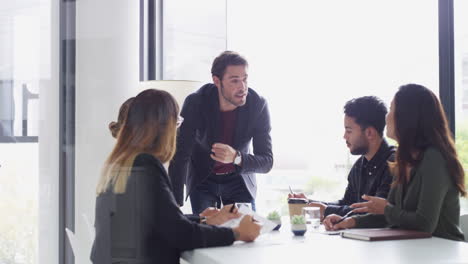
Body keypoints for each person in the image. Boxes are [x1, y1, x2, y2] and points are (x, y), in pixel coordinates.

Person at [91, 89, 261, 264]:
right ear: (164, 128)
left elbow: (160, 221)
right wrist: (237, 233)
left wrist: (203, 219)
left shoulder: (120, 163)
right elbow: (181, 234)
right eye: (176, 123)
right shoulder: (146, 165)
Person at [324, 84, 466, 241]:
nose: (387, 117)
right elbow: (391, 217)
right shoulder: (402, 159)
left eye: (391, 110)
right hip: (413, 249)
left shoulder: (434, 158)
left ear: (408, 117)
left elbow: (424, 224)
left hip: (443, 252)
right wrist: (350, 222)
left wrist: (385, 209)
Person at [169, 51, 273, 214]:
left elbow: (267, 161)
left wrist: (236, 157)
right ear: (216, 81)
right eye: (234, 81)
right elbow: (181, 154)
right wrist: (174, 204)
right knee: (205, 235)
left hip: (240, 179)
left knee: (246, 234)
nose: (242, 87)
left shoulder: (257, 105)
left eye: (245, 79)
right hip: (203, 178)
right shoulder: (196, 102)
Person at [289, 96, 395, 219]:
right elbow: (347, 204)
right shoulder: (360, 165)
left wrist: (326, 210)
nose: (344, 136)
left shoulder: (393, 164)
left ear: (369, 133)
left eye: (349, 131)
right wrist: (309, 203)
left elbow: (372, 213)